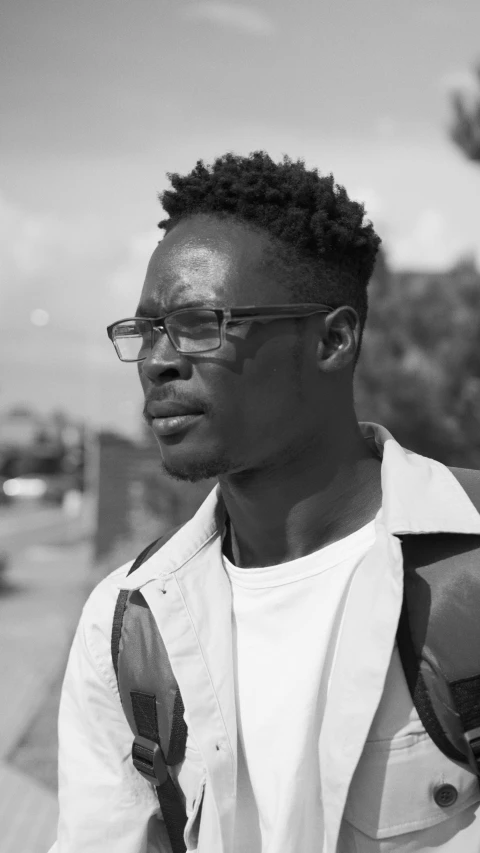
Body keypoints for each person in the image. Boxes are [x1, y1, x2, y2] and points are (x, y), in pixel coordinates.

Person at [50, 151, 480, 853]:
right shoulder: (129, 623)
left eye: (199, 322)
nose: (158, 360)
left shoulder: (465, 569)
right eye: (147, 330)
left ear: (334, 339)